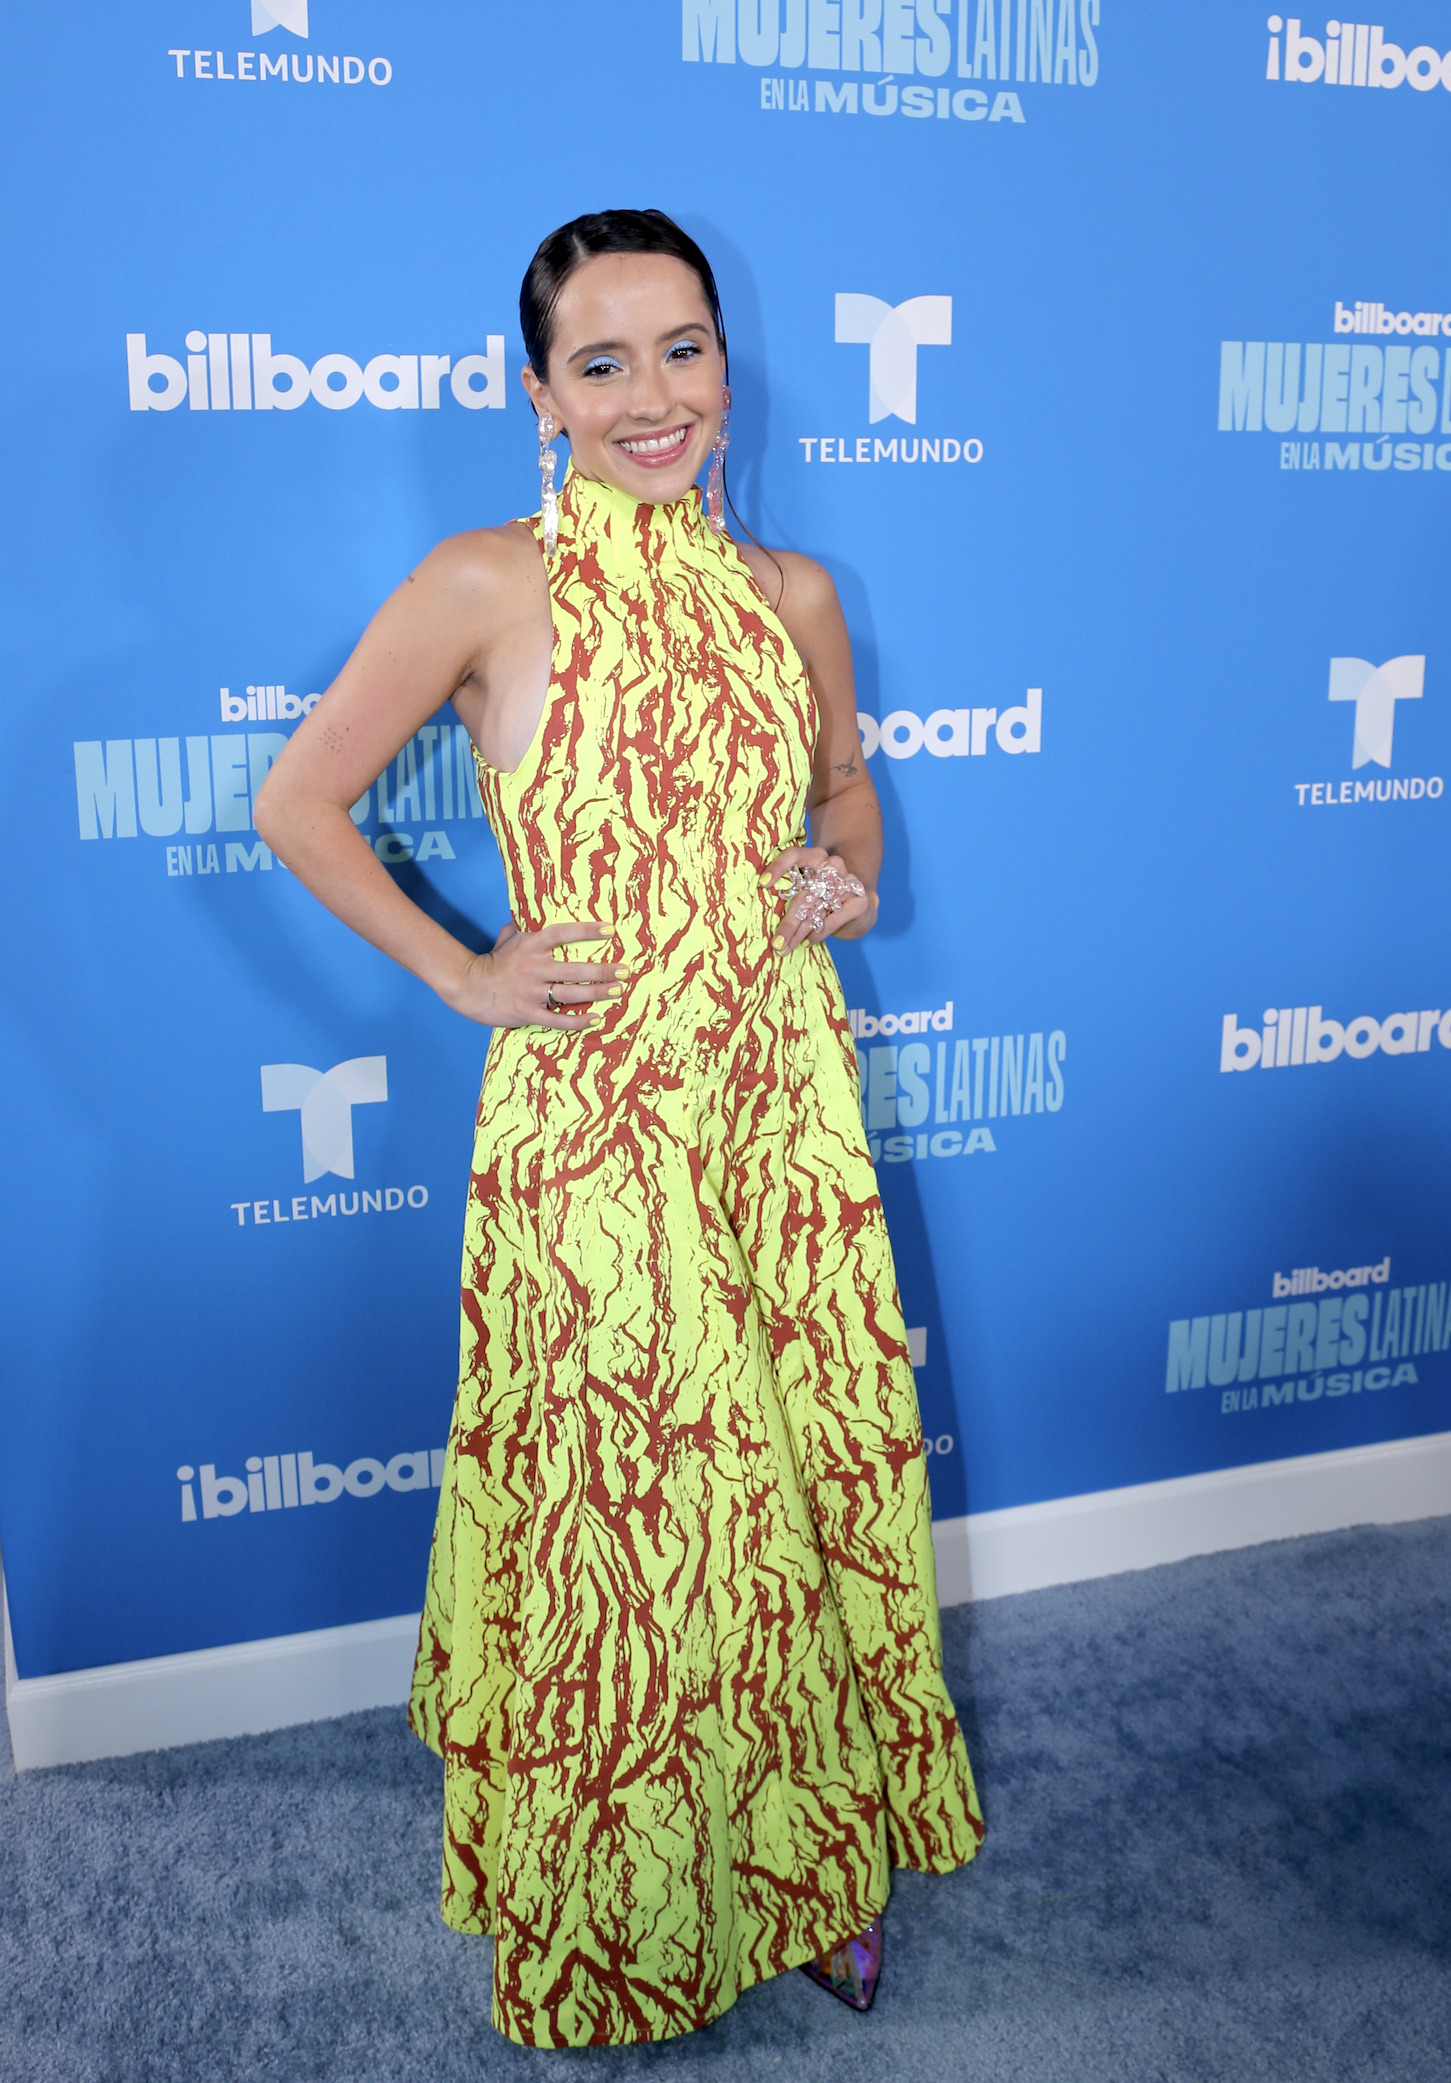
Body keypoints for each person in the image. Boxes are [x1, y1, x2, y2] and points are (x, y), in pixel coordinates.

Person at [254, 208, 983, 2050]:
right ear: (541, 393)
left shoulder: (797, 592)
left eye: (685, 349)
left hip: (780, 1104)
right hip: (598, 1124)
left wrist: (846, 873)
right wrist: (460, 971)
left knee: (794, 1493)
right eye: (606, 361)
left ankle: (807, 1869)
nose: (655, 397)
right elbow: (301, 802)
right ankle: (624, 1895)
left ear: (727, 364)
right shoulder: (486, 586)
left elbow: (847, 790)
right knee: (644, 1511)